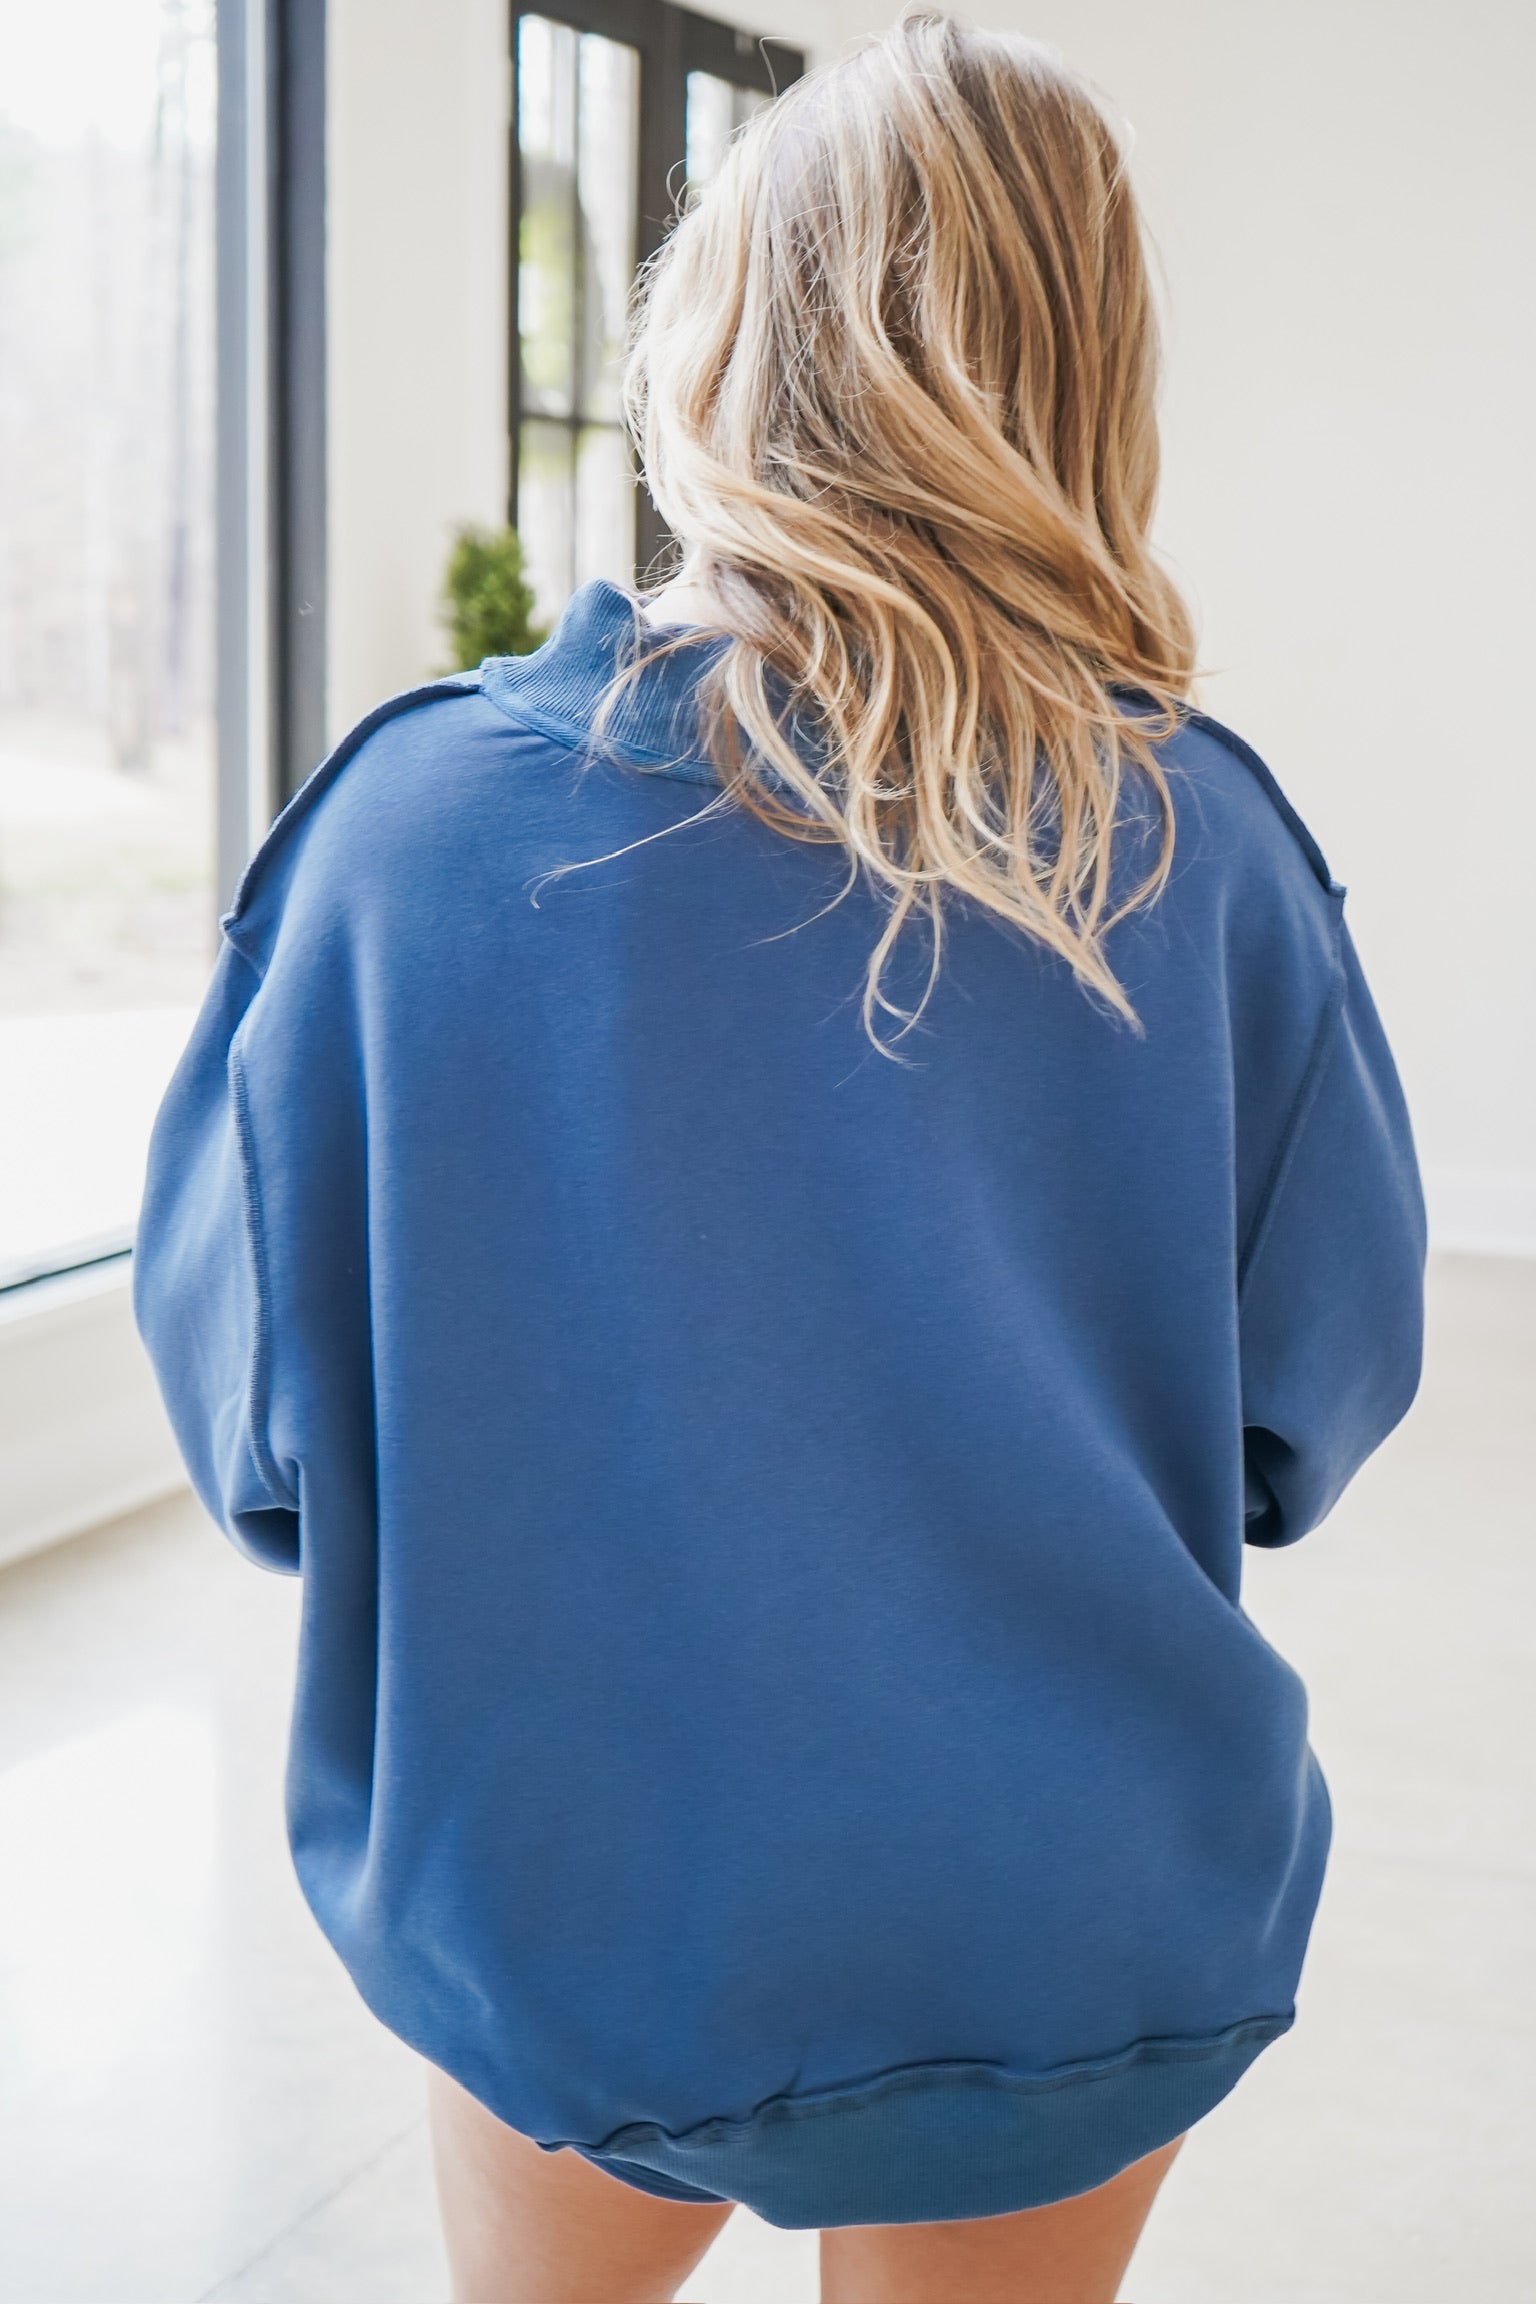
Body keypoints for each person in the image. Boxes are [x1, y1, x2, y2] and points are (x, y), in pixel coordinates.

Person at [134, 11, 1426, 2299]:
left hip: (571, 1896)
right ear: (1087, 375)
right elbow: (1307, 1409)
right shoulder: (1206, 852)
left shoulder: (398, 842)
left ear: (714, 332)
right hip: (1063, 1917)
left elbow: (259, 1442)